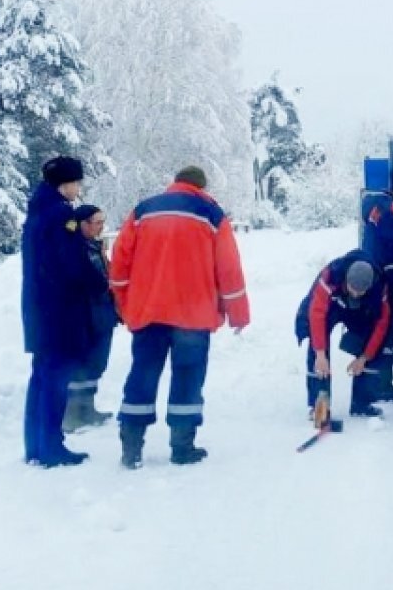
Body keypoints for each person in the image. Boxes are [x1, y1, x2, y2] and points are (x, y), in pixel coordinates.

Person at [110, 166, 250, 469]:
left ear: (175, 183)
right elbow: (228, 268)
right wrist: (238, 313)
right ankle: (182, 446)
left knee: (143, 373)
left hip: (149, 311)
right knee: (187, 377)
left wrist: (124, 303)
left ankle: (131, 446)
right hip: (193, 313)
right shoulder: (212, 215)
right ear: (201, 187)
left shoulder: (143, 210)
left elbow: (120, 263)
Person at [21, 156, 106, 468]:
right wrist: (99, 283)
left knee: (41, 377)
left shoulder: (38, 211)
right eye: (76, 182)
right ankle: (52, 447)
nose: (78, 188)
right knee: (56, 378)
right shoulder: (61, 215)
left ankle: (36, 445)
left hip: (39, 307)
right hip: (59, 310)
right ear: (65, 183)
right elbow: (71, 263)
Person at [295, 250, 391, 417]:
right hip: (329, 308)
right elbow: (317, 315)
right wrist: (320, 354)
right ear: (346, 280)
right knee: (317, 349)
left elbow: (381, 326)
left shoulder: (379, 288)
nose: (355, 293)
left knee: (373, 345)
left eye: (360, 292)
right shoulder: (330, 276)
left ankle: (362, 403)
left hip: (360, 310)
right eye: (352, 289)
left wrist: (364, 357)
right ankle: (320, 405)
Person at [61, 204, 118, 433]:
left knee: (96, 363)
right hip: (85, 316)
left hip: (102, 314)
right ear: (82, 224)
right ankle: (72, 414)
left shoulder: (96, 247)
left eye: (102, 222)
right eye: (97, 222)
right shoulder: (75, 249)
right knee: (80, 366)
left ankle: (88, 409)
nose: (101, 226)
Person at [359, 176, 393, 402]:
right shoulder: (389, 211)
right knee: (388, 330)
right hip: (388, 277)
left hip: (376, 273)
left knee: (379, 328)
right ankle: (383, 386)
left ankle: (376, 383)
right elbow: (392, 245)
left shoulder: (376, 205)